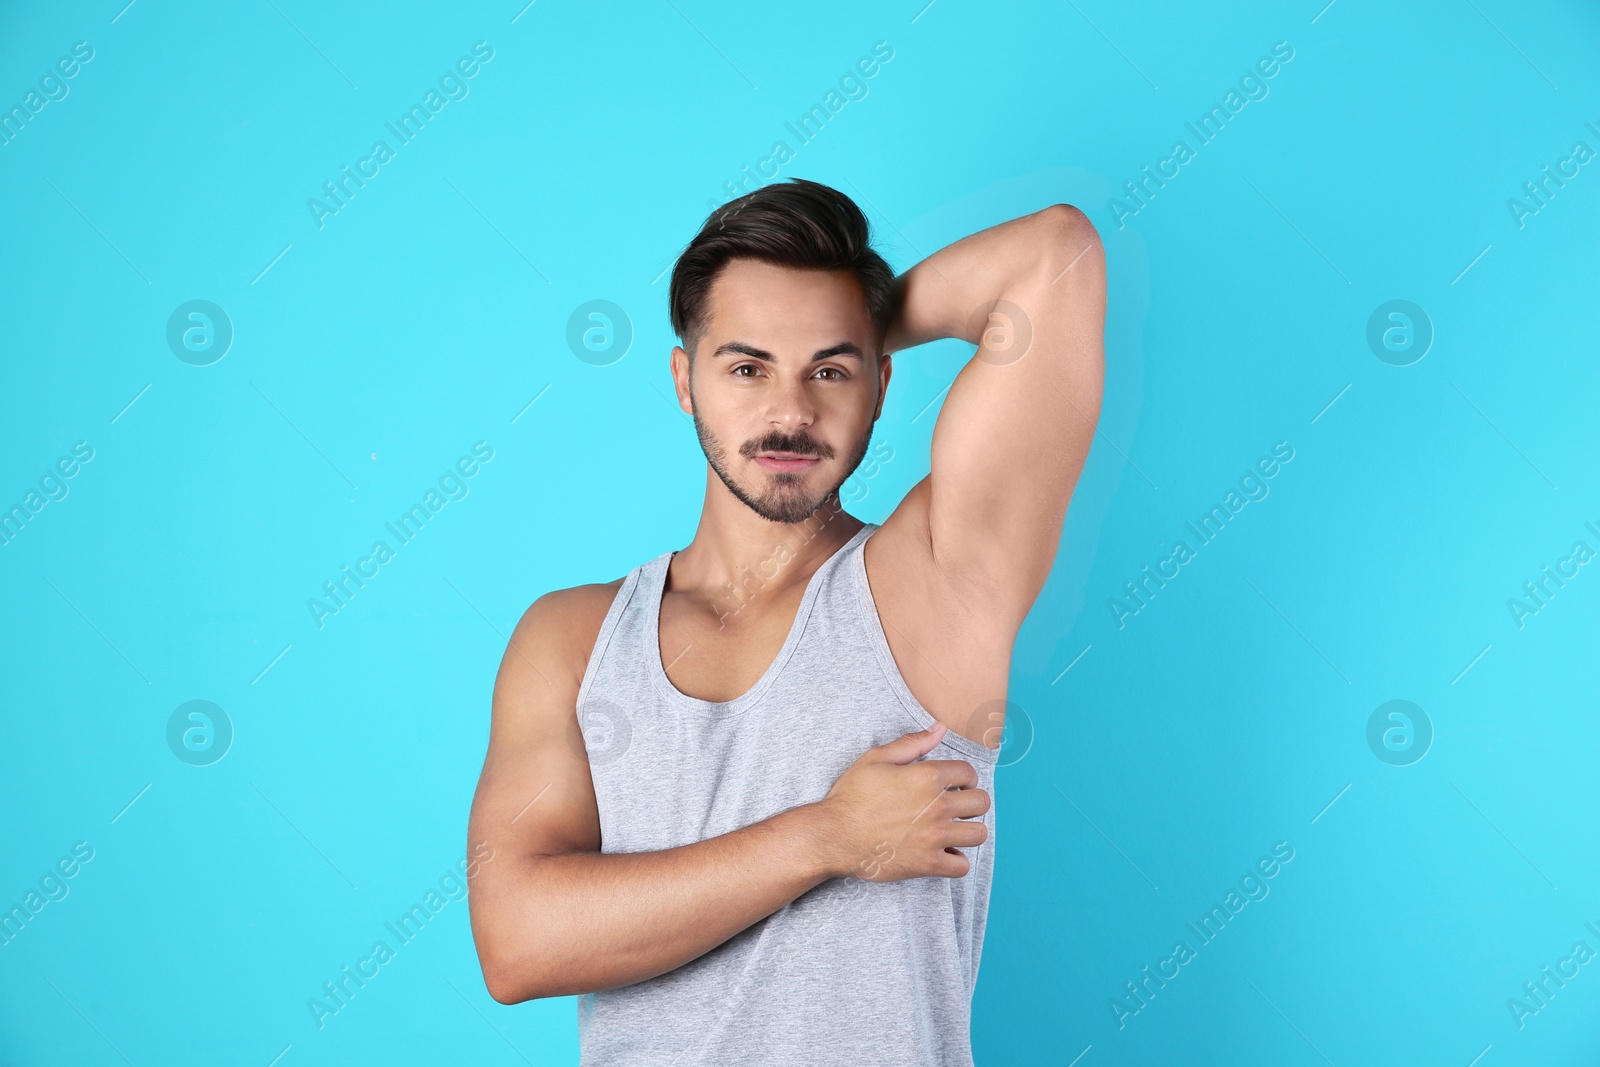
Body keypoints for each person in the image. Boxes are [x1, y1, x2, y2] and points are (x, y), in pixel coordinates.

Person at [466, 177, 1105, 1065]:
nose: (792, 412)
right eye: (747, 365)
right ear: (685, 379)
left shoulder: (940, 581)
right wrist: (827, 836)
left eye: (830, 369)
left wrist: (871, 314)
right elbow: (518, 939)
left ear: (883, 383)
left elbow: (1056, 254)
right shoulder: (570, 641)